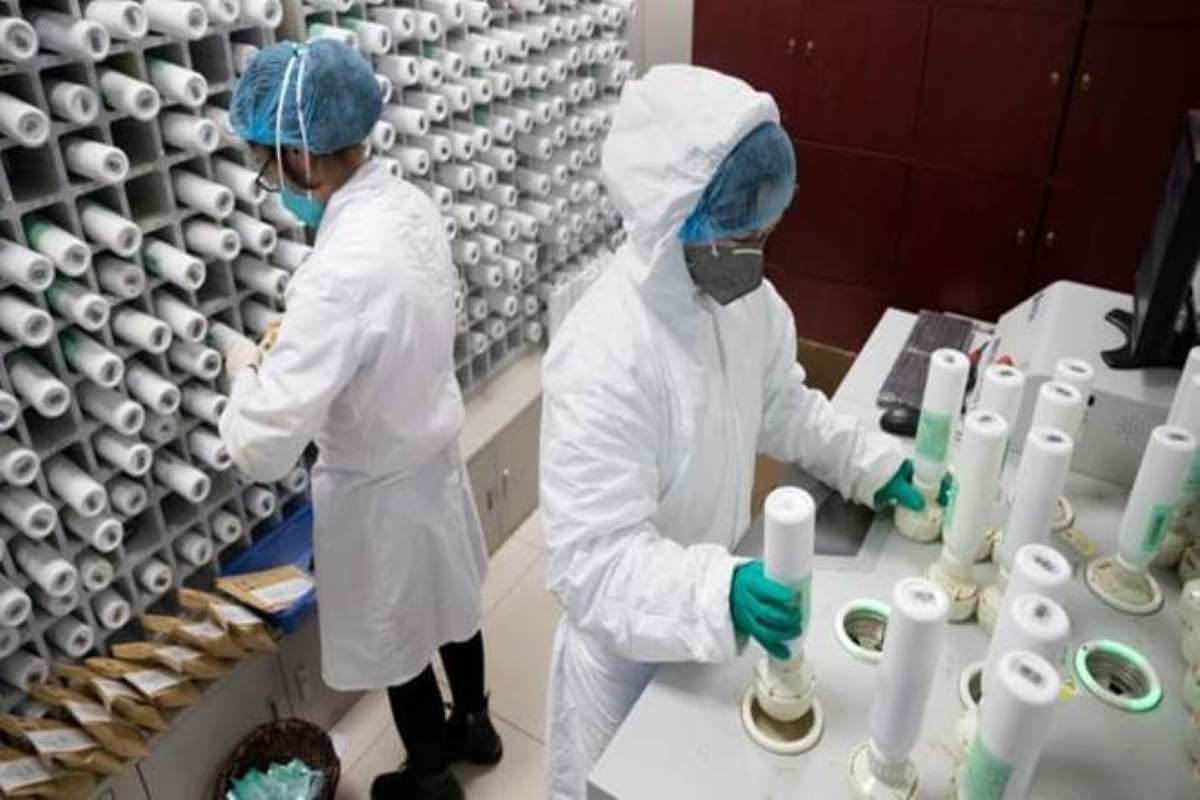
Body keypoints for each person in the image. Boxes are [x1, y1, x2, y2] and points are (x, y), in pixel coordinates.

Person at [538, 64, 925, 799]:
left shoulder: (743, 302)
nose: (757, 250)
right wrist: (720, 592)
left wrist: (871, 464)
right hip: (628, 661)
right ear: (673, 213)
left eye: (766, 230)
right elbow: (593, 563)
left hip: (709, 631)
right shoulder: (604, 354)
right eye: (742, 231)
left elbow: (784, 402)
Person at [219, 40, 500, 800]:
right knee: (453, 603)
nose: (274, 184)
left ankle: (430, 778)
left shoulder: (336, 274)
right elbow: (390, 324)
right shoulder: (407, 206)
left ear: (301, 158)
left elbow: (261, 446)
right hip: (432, 455)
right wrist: (308, 343)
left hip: (379, 491)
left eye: (270, 167)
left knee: (400, 634)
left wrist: (244, 371)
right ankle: (476, 726)